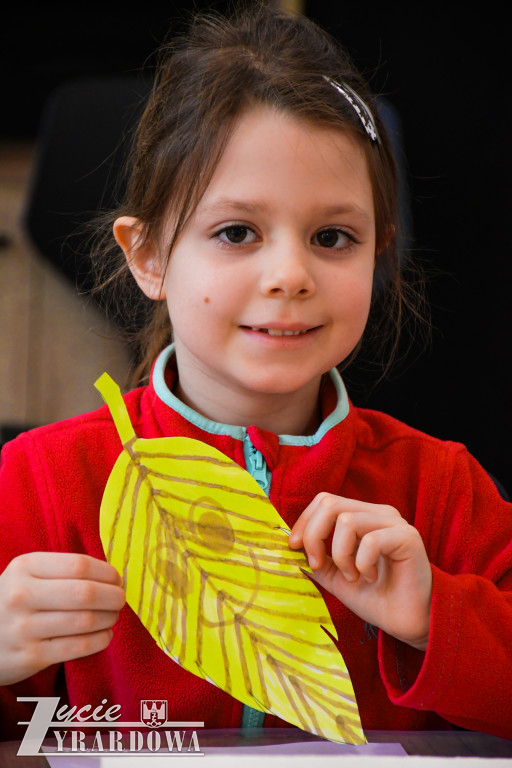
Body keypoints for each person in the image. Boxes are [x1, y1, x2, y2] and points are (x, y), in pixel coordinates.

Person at [1, 2, 511, 743]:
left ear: (379, 254)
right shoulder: (39, 484)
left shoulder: (442, 493)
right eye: (237, 232)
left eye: (333, 237)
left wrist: (437, 614)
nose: (290, 274)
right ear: (147, 257)